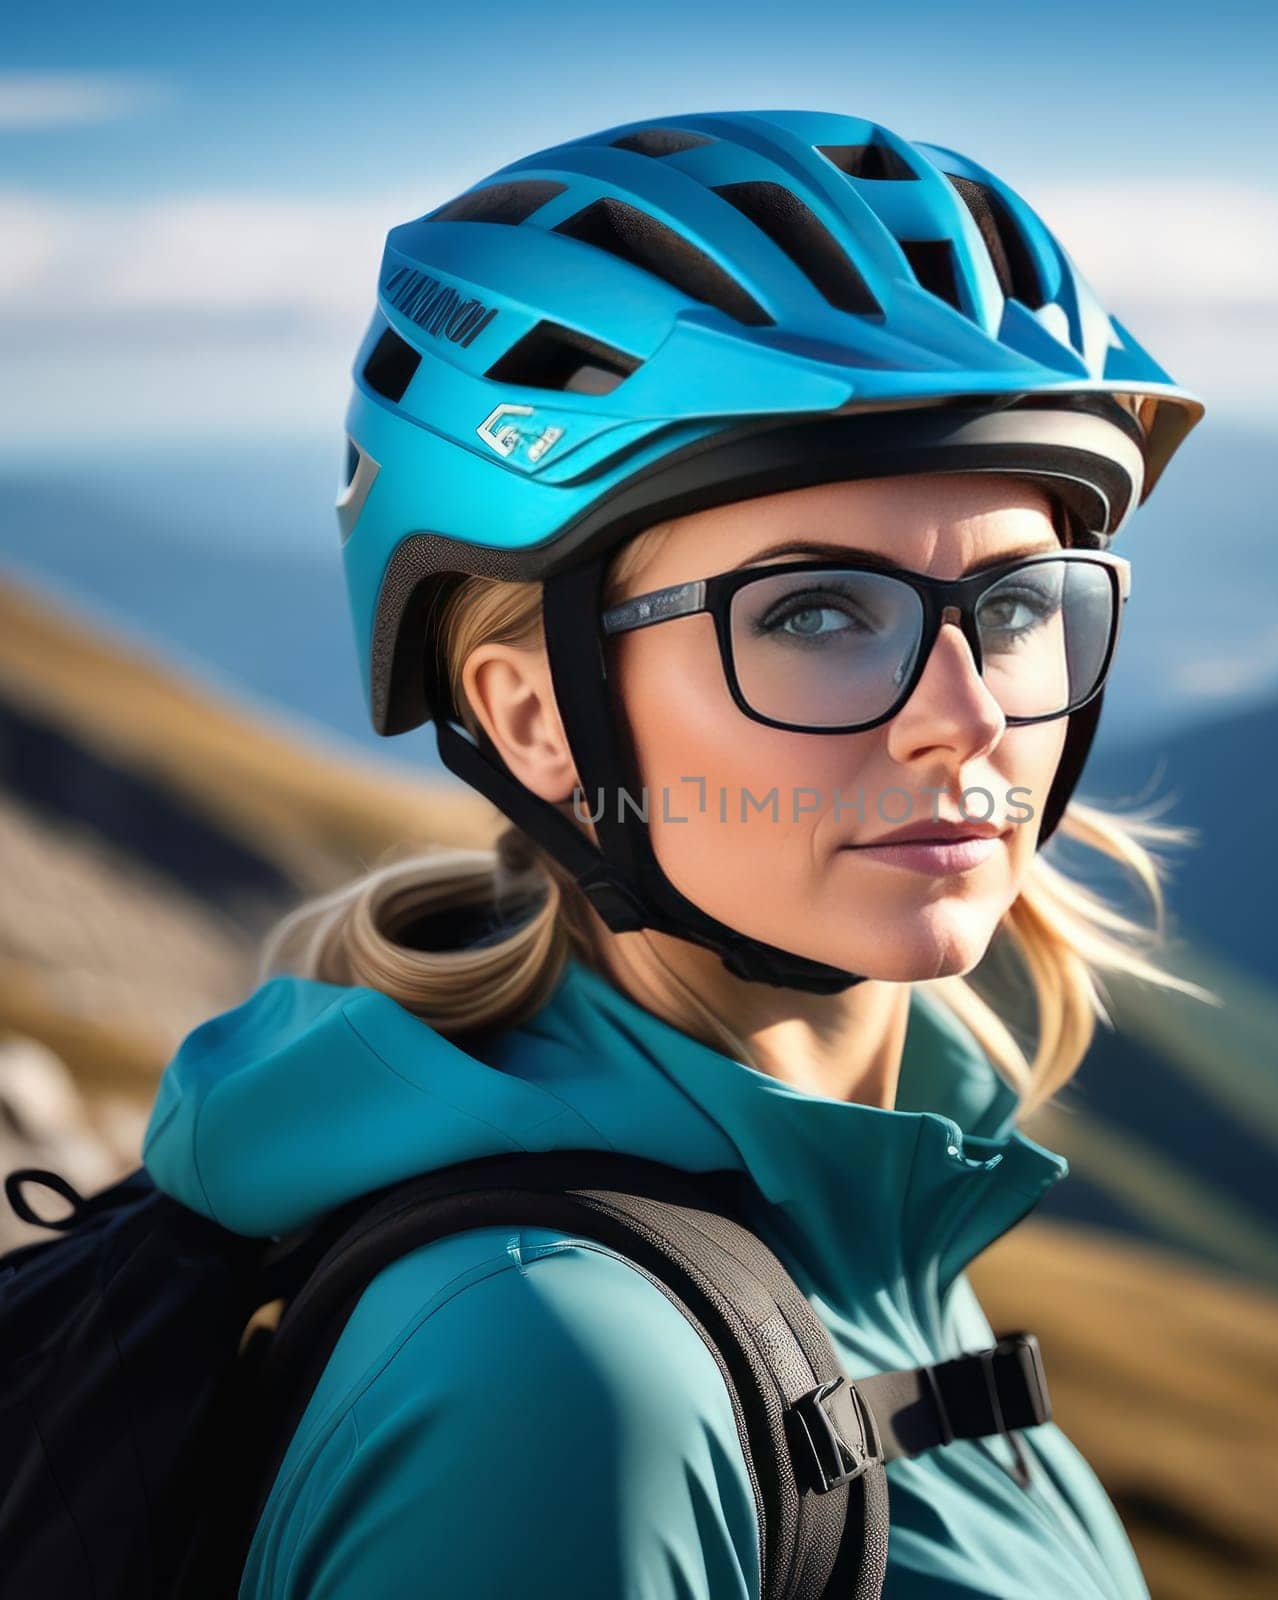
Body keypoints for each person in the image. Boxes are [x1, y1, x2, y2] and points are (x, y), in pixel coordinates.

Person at [141, 108, 1209, 1598]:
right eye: (817, 615)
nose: (965, 722)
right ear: (537, 722)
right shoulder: (562, 1376)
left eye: (1023, 604)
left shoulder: (854, 1216)